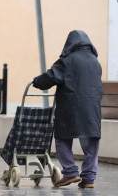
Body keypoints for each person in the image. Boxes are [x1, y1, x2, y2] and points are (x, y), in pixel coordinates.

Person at [32, 30, 103, 188]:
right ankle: (89, 179)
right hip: (92, 108)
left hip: (70, 107)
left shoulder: (67, 60)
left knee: (63, 138)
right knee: (91, 141)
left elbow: (51, 77)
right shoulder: (95, 62)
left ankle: (70, 173)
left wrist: (36, 81)